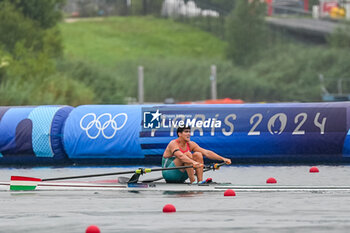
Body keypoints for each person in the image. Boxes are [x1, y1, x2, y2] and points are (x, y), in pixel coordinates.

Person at [162, 126, 232, 183]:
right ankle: (193, 181)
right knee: (187, 155)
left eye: (189, 132)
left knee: (198, 154)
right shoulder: (173, 143)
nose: (189, 134)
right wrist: (193, 162)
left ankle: (200, 181)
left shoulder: (191, 144)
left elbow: (206, 153)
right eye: (186, 132)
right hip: (169, 174)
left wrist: (223, 159)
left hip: (183, 174)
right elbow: (181, 156)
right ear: (179, 134)